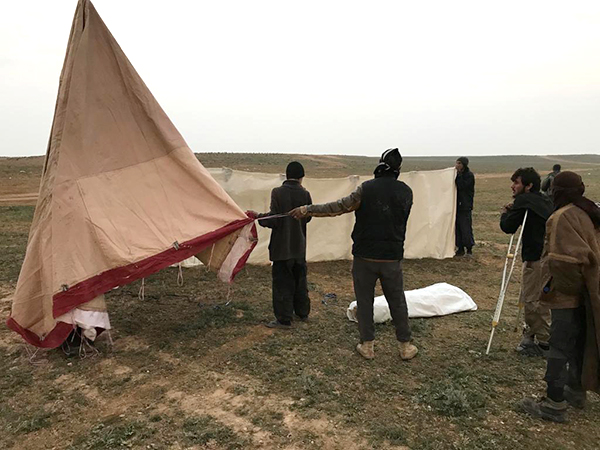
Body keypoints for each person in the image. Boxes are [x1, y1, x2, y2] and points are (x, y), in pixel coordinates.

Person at [289, 148, 418, 361]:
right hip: (392, 258)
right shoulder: (407, 192)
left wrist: (307, 209)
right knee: (397, 301)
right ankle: (405, 346)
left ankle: (367, 346)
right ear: (398, 169)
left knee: (364, 301)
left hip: (364, 257)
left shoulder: (366, 189)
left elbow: (338, 207)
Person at [519, 171, 600, 423]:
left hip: (570, 293)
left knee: (559, 346)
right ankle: (575, 390)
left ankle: (554, 402)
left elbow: (564, 261)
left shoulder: (562, 217)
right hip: (589, 290)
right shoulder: (587, 211)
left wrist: (557, 288)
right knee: (579, 342)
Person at [500, 168, 553, 356]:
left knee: (533, 300)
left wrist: (506, 212)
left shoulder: (524, 202)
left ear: (528, 186)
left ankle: (544, 342)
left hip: (535, 258)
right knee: (536, 297)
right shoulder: (545, 199)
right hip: (548, 257)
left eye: (517, 183)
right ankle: (531, 334)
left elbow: (508, 227)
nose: (513, 186)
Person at [257, 162, 312, 329]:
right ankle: (302, 313)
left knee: (282, 283)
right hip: (299, 247)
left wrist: (258, 217)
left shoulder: (278, 192)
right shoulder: (305, 193)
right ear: (301, 177)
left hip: (282, 248)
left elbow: (274, 219)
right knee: (300, 281)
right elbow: (308, 217)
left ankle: (284, 319)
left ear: (286, 175)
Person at [455, 157, 475, 256]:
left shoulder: (468, 176)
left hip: (465, 205)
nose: (457, 165)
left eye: (459, 163)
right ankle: (460, 248)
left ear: (464, 165)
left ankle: (469, 248)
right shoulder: (457, 175)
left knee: (465, 227)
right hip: (457, 205)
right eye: (456, 163)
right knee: (457, 227)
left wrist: (458, 177)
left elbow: (462, 186)